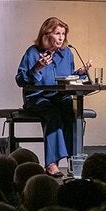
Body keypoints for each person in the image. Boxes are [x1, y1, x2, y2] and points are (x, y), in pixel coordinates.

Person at [15, 17, 91, 177]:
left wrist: (80, 74)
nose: (61, 37)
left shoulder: (67, 53)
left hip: (60, 97)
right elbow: (20, 80)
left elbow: (68, 77)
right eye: (57, 33)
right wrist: (37, 67)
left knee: (73, 114)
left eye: (63, 33)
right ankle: (51, 164)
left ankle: (74, 161)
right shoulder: (32, 52)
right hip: (37, 98)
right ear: (46, 34)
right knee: (53, 115)